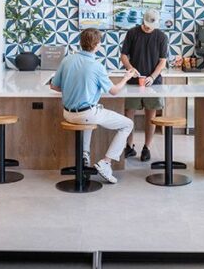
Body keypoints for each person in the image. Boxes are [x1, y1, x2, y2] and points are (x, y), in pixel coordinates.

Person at [49, 28, 138, 184]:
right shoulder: (97, 66)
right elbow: (114, 91)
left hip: (68, 114)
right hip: (85, 114)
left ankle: (85, 154)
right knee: (127, 124)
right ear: (97, 45)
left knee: (93, 113)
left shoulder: (67, 60)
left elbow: (54, 86)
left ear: (81, 42)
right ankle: (106, 163)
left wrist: (73, 86)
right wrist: (126, 77)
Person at [120, 8, 169, 162]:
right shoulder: (132, 33)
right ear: (143, 20)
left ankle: (147, 147)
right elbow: (123, 56)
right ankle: (129, 146)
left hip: (153, 83)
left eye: (151, 25)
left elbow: (163, 61)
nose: (148, 28)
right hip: (133, 81)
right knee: (129, 113)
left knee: (151, 114)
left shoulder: (161, 36)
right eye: (147, 24)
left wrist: (153, 77)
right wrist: (130, 68)